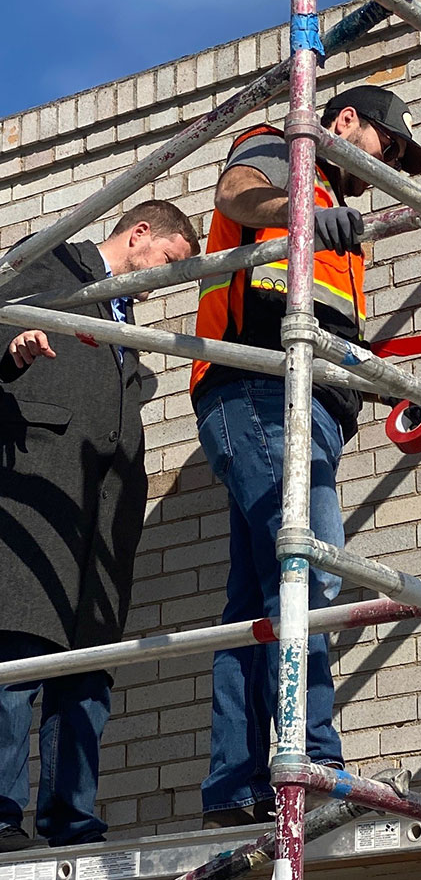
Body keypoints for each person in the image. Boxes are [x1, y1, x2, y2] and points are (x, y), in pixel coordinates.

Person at [190, 85, 421, 828]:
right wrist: (305, 212)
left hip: (302, 403)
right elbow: (238, 192)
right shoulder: (284, 148)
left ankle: (235, 785)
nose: (374, 167)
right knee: (310, 575)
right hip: (261, 388)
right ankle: (315, 763)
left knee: (253, 605)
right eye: (378, 147)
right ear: (346, 122)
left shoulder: (333, 196)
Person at [0, 200, 199, 851]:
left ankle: (71, 823)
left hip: (104, 516)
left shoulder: (125, 320)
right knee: (19, 651)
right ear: (139, 233)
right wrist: (15, 347)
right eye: (169, 261)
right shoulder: (58, 257)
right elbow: (3, 316)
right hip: (42, 492)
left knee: (88, 671)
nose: (166, 279)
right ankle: (0, 818)